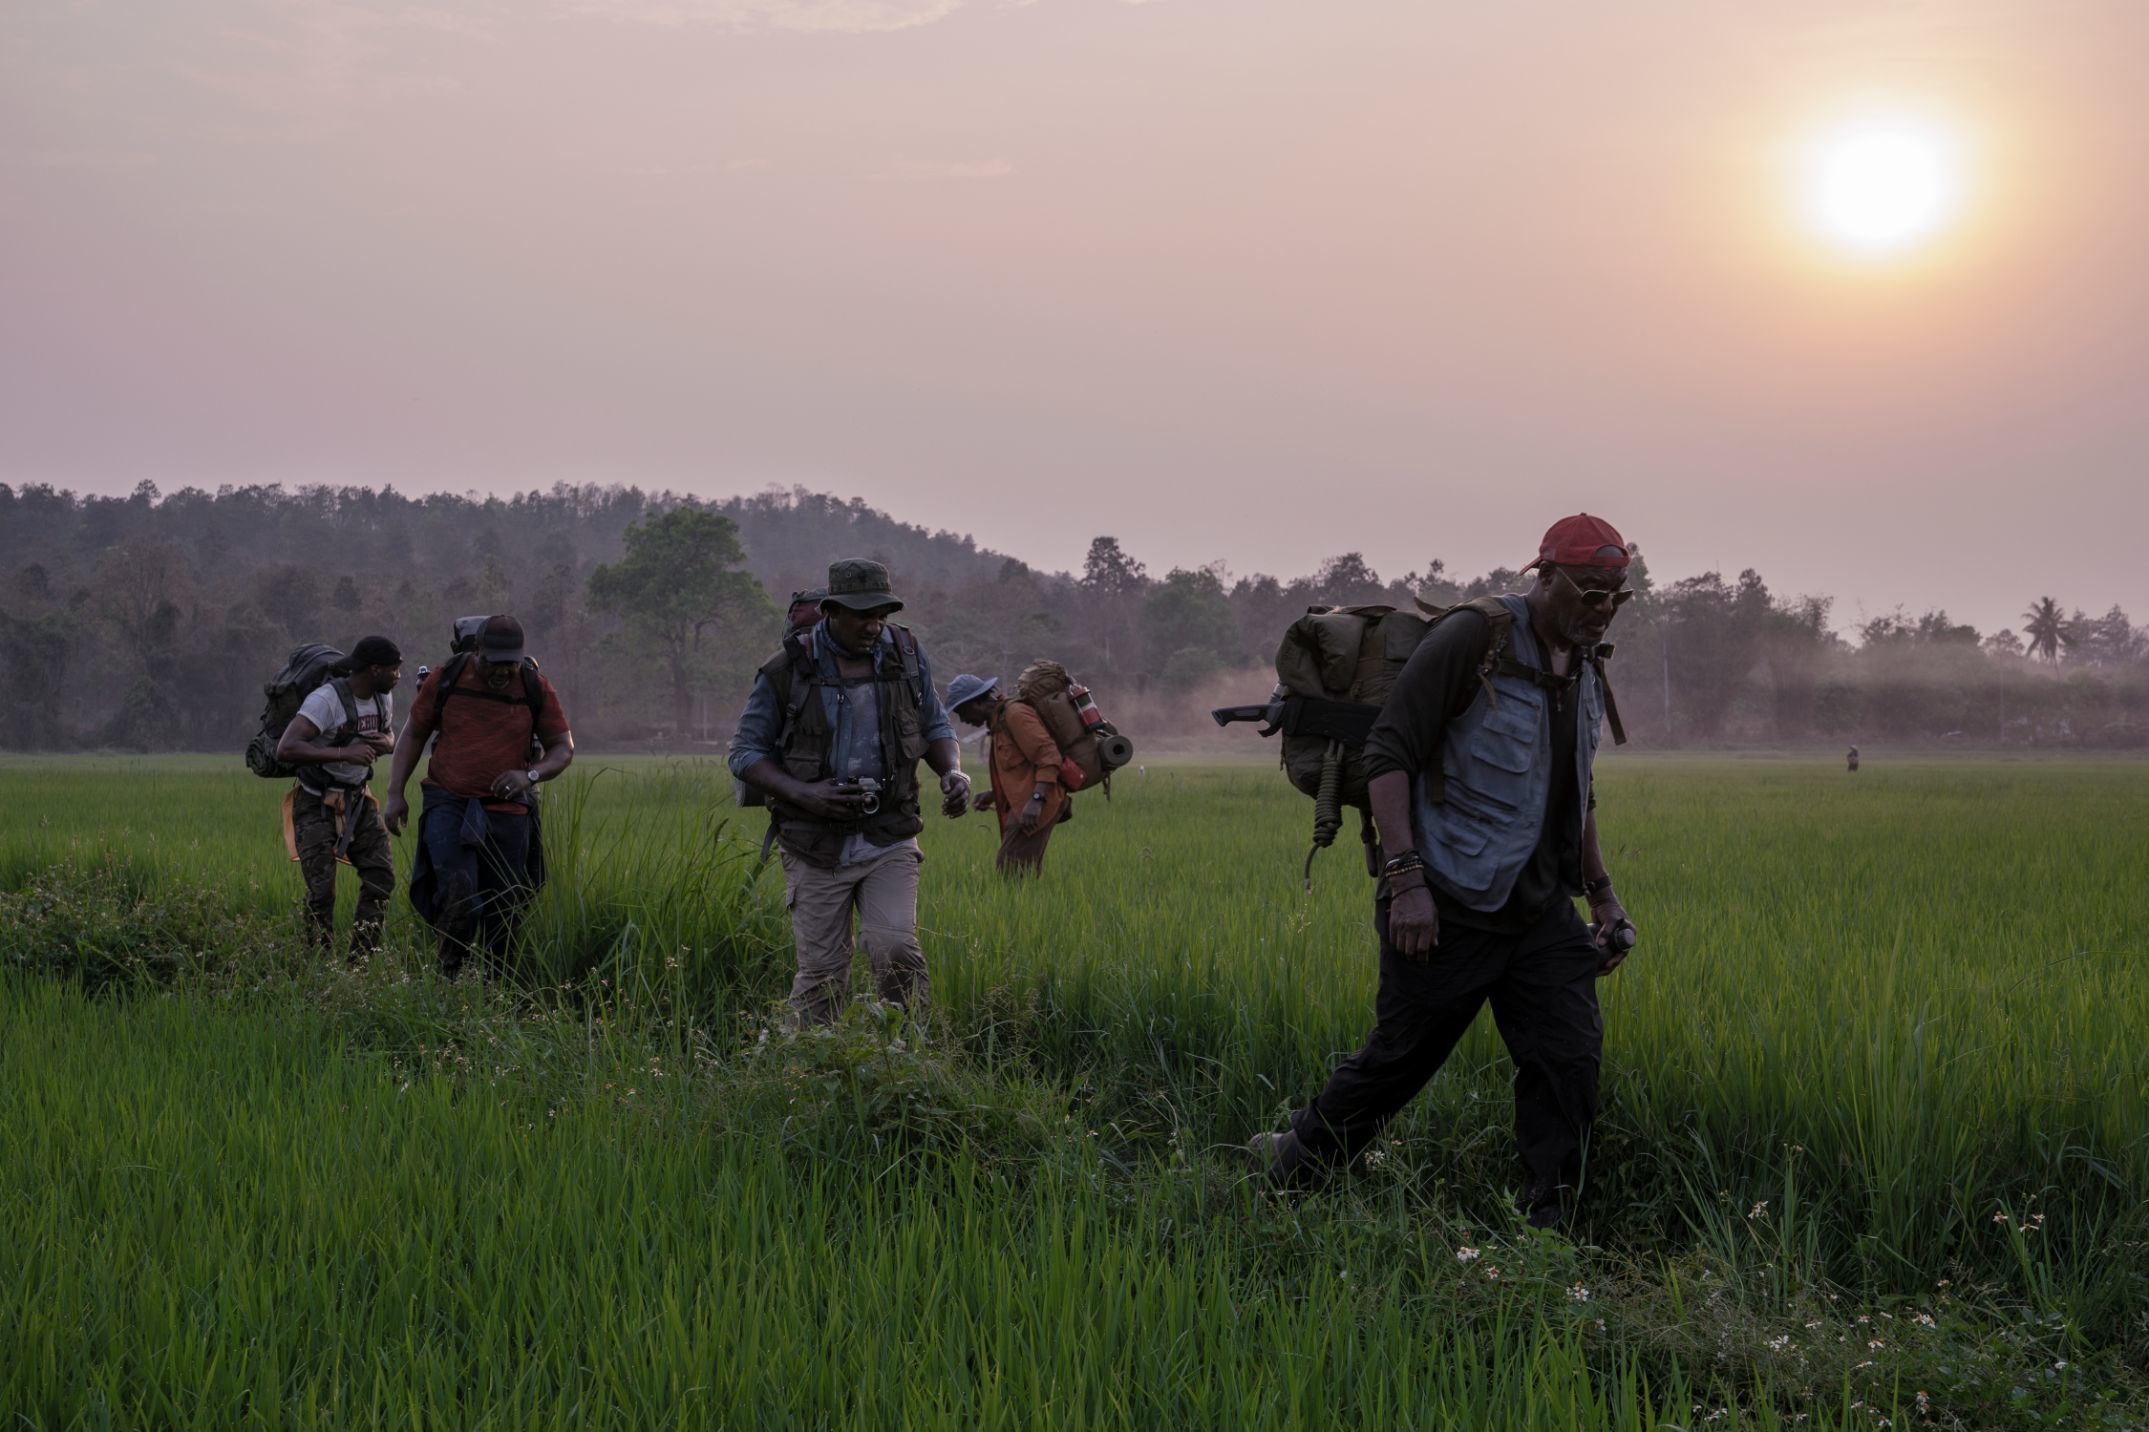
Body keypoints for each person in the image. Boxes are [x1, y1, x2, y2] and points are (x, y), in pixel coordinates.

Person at [1246, 514, 1640, 1229]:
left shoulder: (1585, 661)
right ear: (1543, 576)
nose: (1602, 606)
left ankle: (1551, 1234)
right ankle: (1288, 1172)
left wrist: (1604, 899)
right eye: (1588, 591)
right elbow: (1388, 753)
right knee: (1398, 1062)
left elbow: (1574, 789)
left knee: (1568, 1066)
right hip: (1448, 900)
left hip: (1541, 913)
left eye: (1616, 593)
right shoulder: (1474, 637)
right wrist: (1405, 883)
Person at [728, 559, 972, 1025]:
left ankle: (906, 1053)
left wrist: (953, 773)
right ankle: (812, 1068)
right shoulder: (786, 669)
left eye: (881, 614)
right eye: (862, 615)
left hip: (890, 832)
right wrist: (804, 794)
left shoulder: (905, 653)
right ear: (831, 611)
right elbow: (744, 753)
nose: (873, 625)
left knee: (895, 946)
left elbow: (934, 723)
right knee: (822, 973)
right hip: (813, 842)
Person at [383, 615, 574, 979]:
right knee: (458, 893)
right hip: (448, 800)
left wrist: (528, 775)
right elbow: (413, 734)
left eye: (510, 664)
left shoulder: (535, 686)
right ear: (477, 653)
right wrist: (395, 793)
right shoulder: (447, 678)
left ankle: (496, 986)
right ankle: (448, 978)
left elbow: (562, 748)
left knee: (506, 906)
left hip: (508, 809)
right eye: (493, 663)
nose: (502, 672)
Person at [275, 635, 403, 962]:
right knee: (321, 894)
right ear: (374, 669)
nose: (398, 676)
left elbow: (389, 734)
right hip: (316, 803)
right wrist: (345, 753)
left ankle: (359, 964)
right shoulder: (325, 700)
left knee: (381, 879)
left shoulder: (381, 698)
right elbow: (287, 747)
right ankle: (321, 966)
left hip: (359, 801)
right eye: (394, 669)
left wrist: (387, 743)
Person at [946, 672, 1069, 876]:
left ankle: (1023, 907)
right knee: (1019, 875)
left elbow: (1049, 756)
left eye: (962, 711)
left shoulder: (1015, 714)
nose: (963, 719)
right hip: (1024, 805)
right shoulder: (999, 723)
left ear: (976, 703)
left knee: (1011, 874)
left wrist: (1037, 800)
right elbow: (1021, 769)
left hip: (1034, 807)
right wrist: (994, 794)